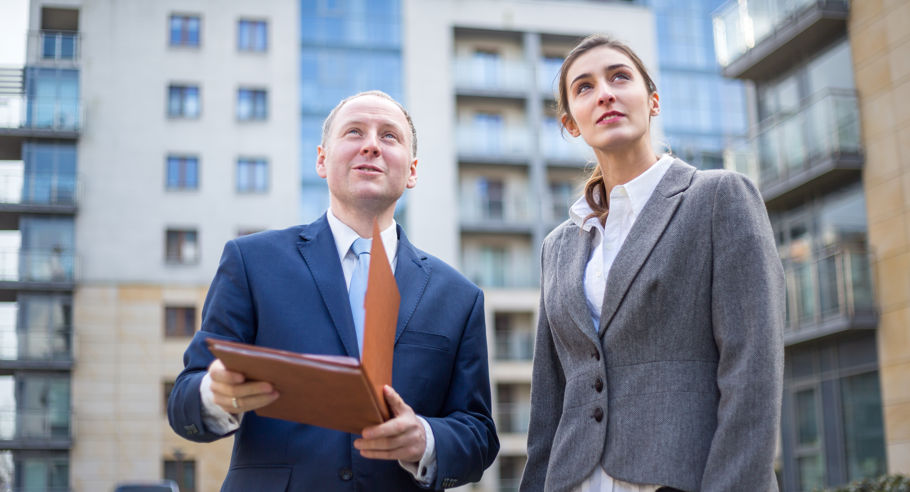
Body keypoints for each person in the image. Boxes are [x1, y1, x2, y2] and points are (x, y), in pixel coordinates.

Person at [168, 90, 499, 491]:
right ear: (322, 160)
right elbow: (184, 399)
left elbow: (478, 432)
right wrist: (213, 393)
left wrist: (425, 439)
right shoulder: (251, 262)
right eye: (355, 132)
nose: (372, 145)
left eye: (389, 136)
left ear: (412, 171)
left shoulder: (459, 297)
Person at [519, 35, 785, 492]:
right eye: (584, 87)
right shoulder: (558, 246)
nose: (604, 92)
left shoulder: (718, 197)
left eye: (619, 77)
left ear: (652, 100)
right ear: (571, 124)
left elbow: (753, 373)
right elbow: (549, 403)